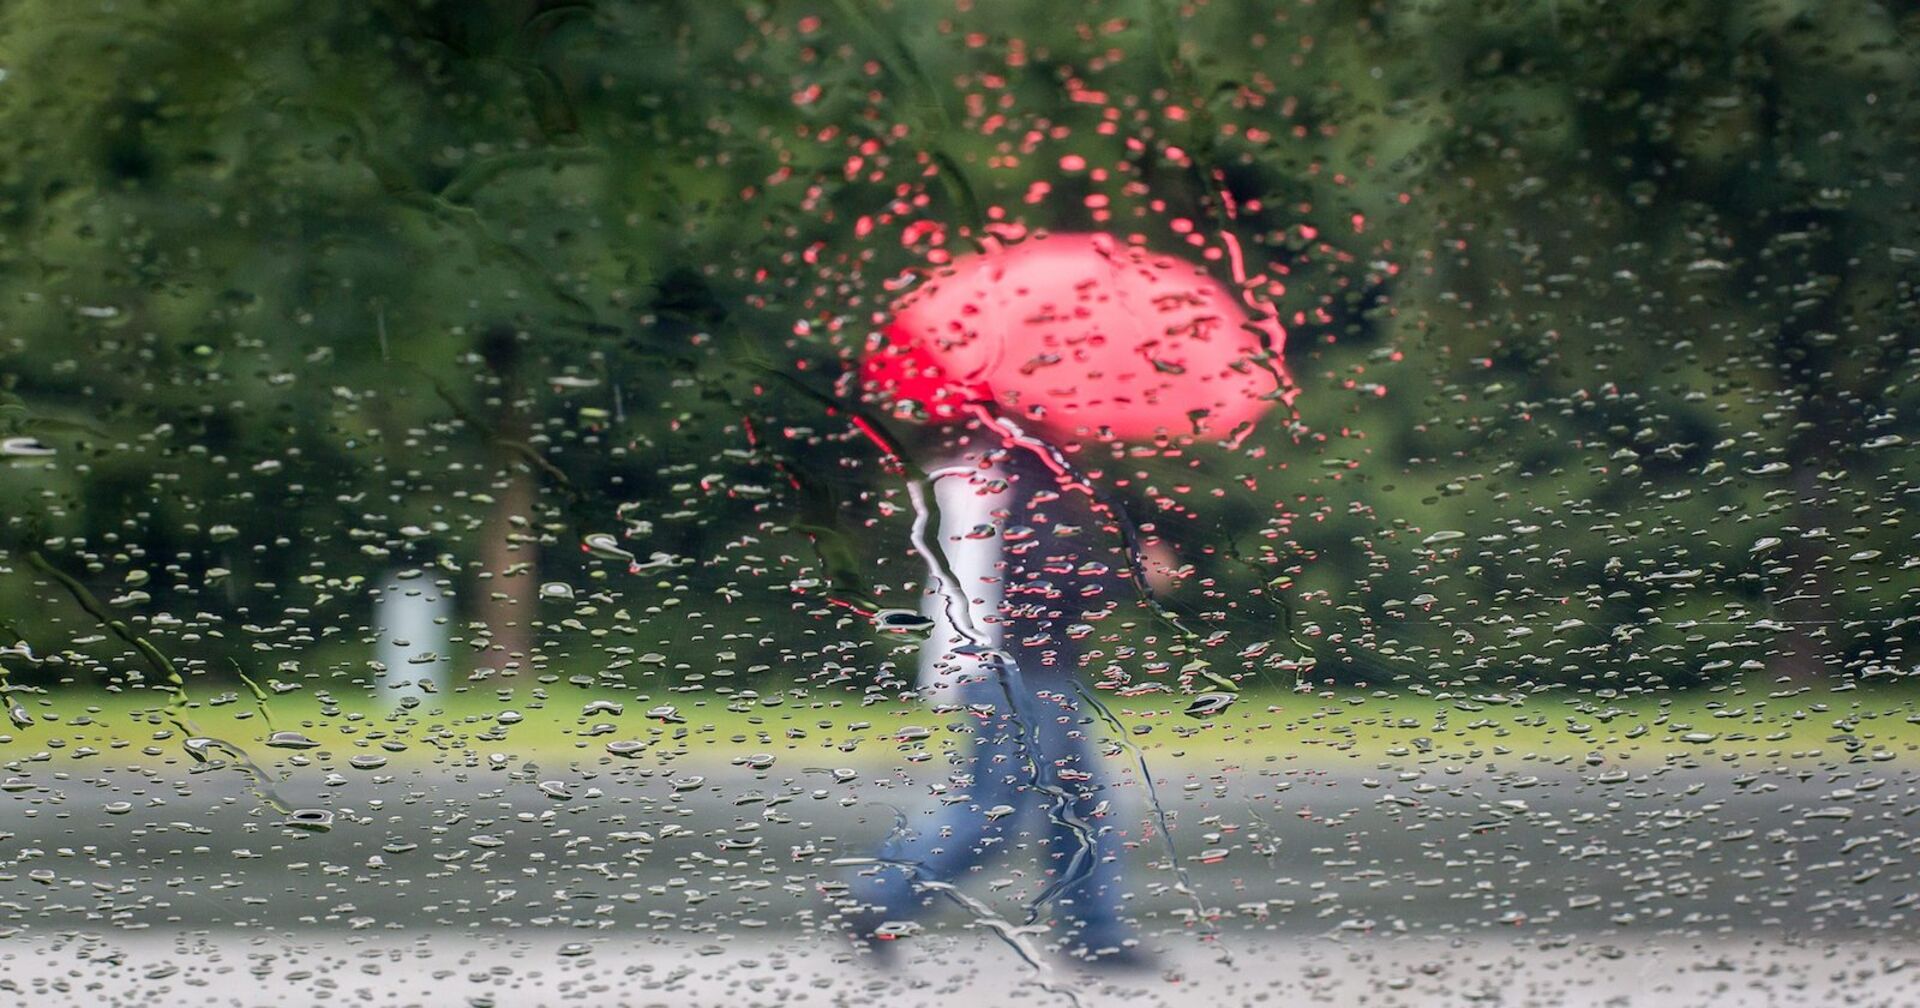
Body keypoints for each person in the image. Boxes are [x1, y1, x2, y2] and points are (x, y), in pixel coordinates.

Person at [842, 421, 1145, 966]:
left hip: (1013, 664)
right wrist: (1133, 570)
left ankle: (1093, 933)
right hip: (1015, 668)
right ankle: (882, 896)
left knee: (1079, 805)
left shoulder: (986, 471)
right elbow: (1047, 573)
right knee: (998, 806)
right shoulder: (1019, 478)